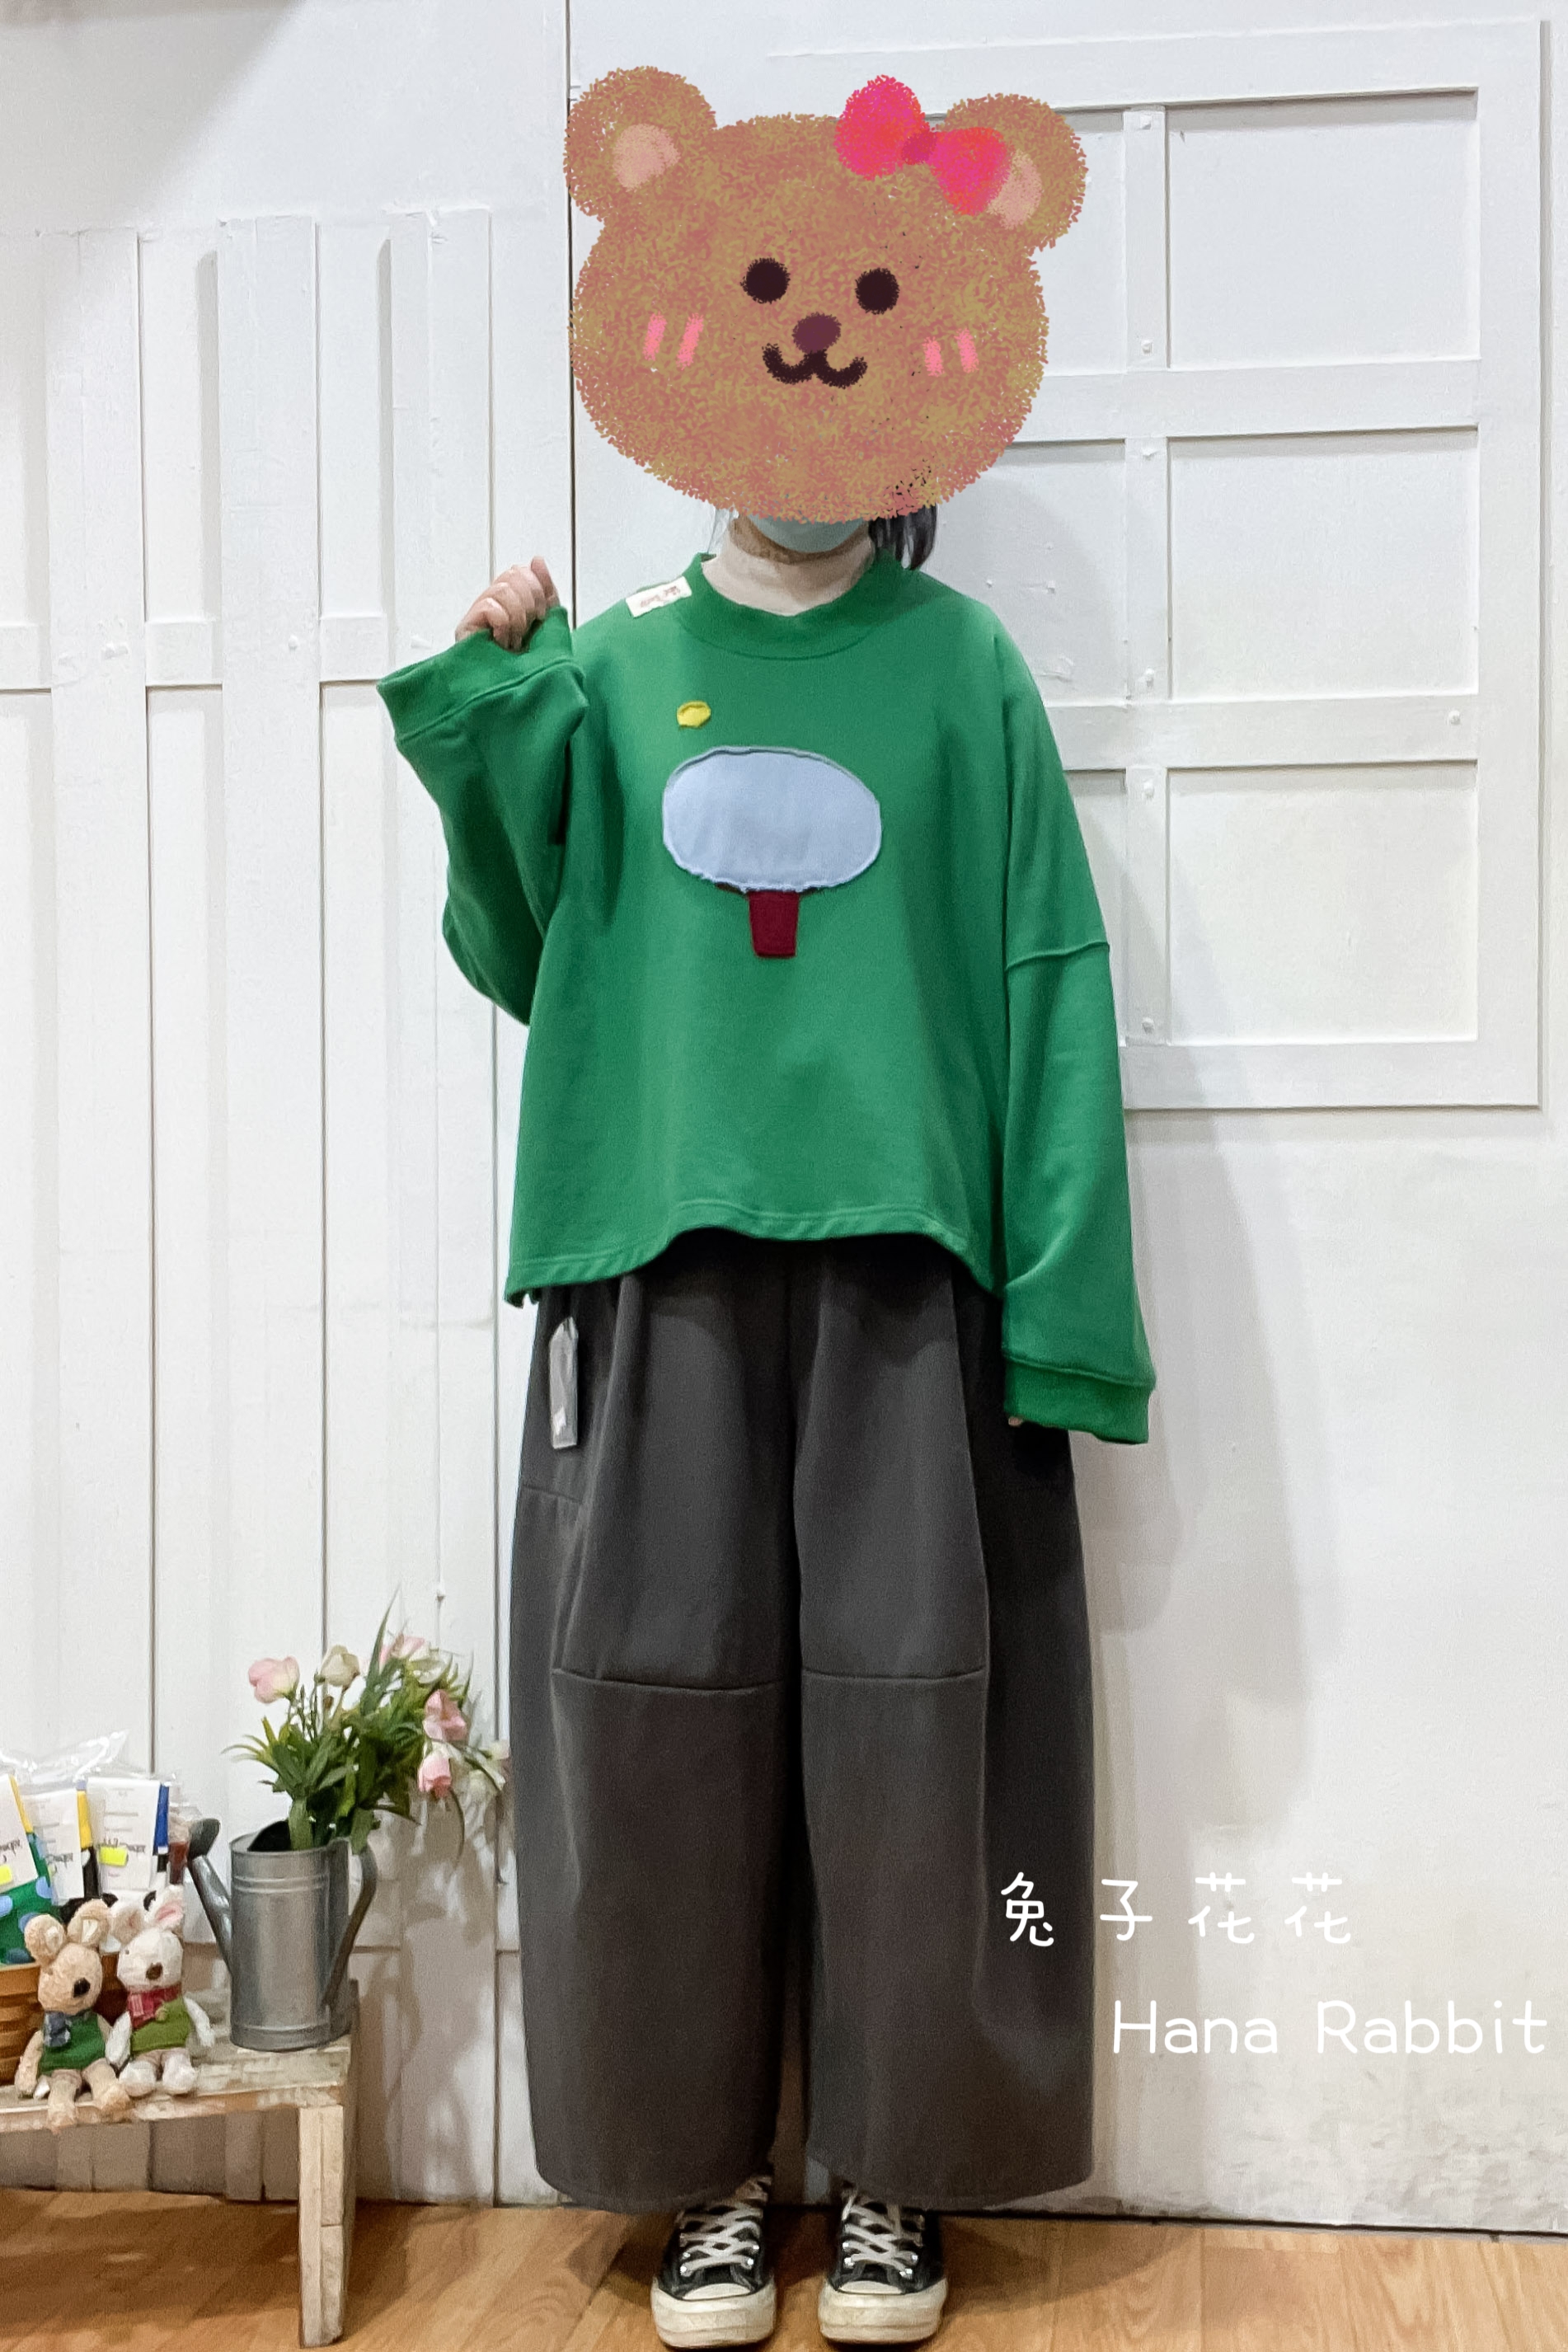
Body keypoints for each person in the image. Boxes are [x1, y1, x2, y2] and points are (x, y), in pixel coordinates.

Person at [377, 66, 1154, 2349]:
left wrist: (1064, 1311)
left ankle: (898, 2170)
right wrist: (494, 702)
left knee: (930, 1728)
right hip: (657, 1264)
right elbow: (522, 944)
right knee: (651, 1721)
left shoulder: (965, 672)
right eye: (771, 303)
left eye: (866, 307)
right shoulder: (614, 668)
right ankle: (701, 2173)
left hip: (916, 1279)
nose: (814, 341)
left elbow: (1047, 986)